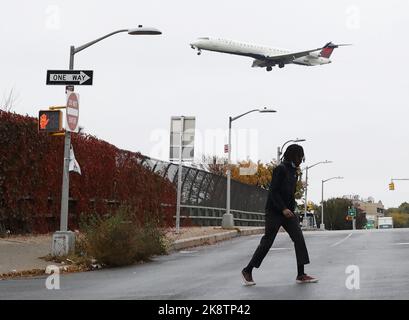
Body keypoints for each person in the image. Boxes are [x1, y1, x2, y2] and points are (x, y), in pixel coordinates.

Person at [241, 144, 318, 285]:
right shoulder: (280, 169)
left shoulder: (294, 172)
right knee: (267, 242)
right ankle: (248, 270)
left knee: (299, 238)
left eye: (302, 158)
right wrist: (283, 208)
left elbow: (290, 194)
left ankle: (301, 274)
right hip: (274, 211)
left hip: (288, 212)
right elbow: (273, 192)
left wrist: (291, 209)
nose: (301, 160)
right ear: (293, 156)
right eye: (299, 157)